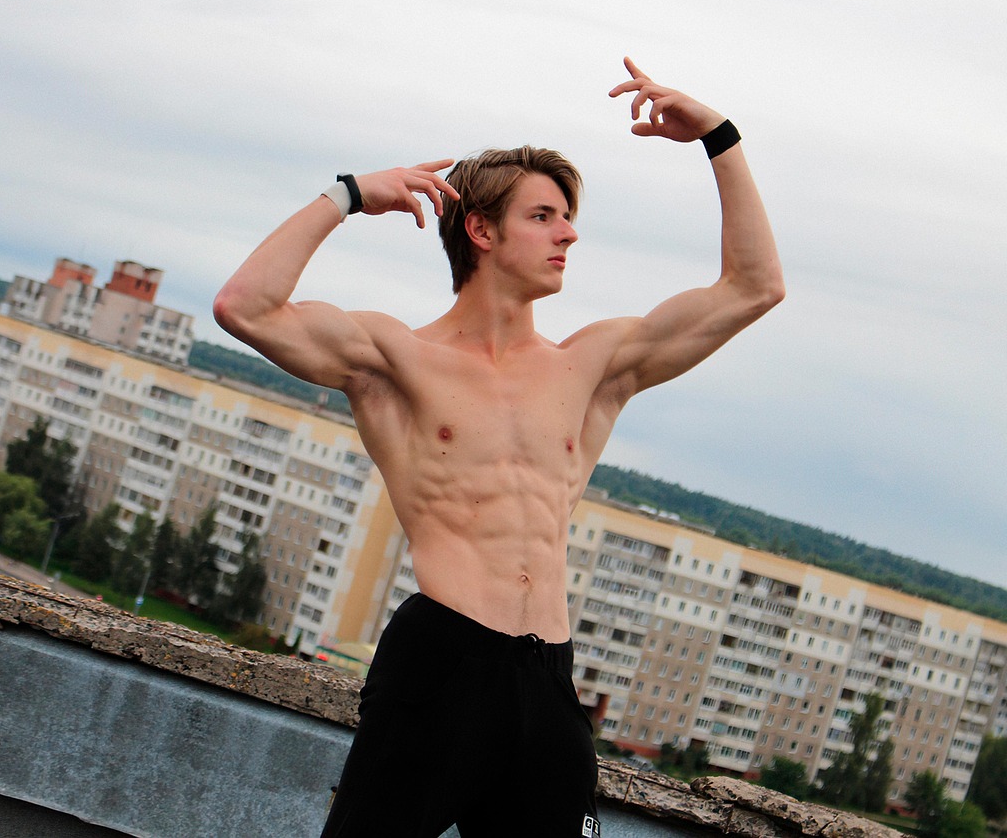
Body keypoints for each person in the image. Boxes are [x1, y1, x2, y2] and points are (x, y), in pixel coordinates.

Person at [213, 57, 784, 838]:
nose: (569, 232)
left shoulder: (592, 365)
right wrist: (345, 196)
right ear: (481, 230)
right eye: (545, 216)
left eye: (567, 216)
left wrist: (718, 137)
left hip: (547, 683)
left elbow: (754, 286)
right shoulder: (395, 358)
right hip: (439, 668)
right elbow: (244, 306)